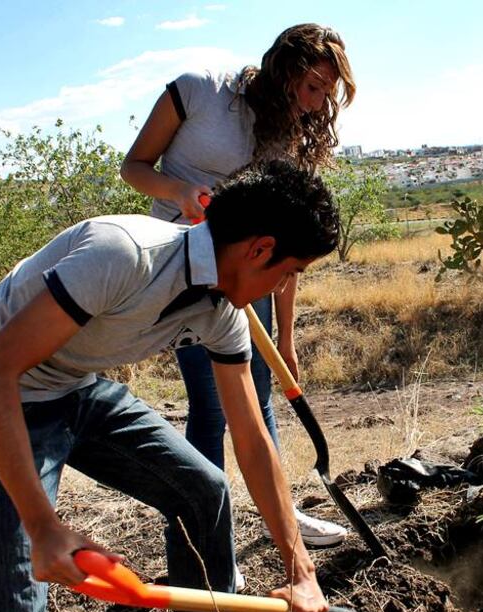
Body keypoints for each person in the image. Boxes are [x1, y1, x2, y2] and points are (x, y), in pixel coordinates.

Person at [0, 162, 335, 612]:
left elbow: (253, 441)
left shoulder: (225, 314)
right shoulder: (124, 254)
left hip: (75, 389)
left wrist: (301, 569)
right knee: (13, 603)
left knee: (204, 492)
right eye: (290, 272)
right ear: (259, 250)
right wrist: (42, 526)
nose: (283, 288)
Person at [121, 23, 356, 547]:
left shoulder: (288, 133)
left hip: (250, 278)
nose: (319, 105)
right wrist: (179, 190)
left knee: (261, 394)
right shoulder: (199, 89)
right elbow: (133, 166)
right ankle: (203, 529)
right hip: (184, 268)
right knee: (212, 404)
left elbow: (286, 249)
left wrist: (287, 342)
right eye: (314, 88)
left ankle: (284, 519)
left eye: (328, 94)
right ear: (285, 70)